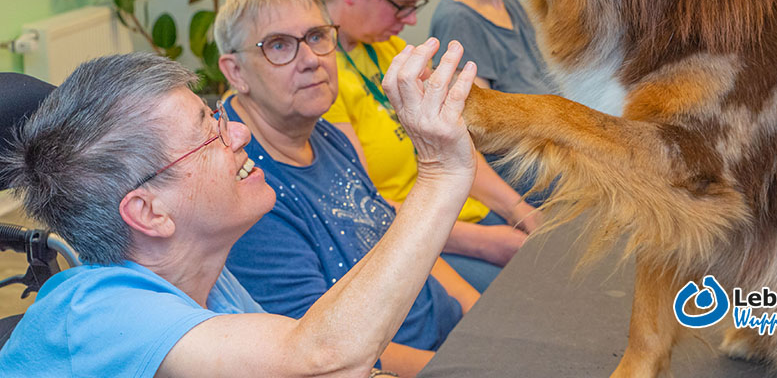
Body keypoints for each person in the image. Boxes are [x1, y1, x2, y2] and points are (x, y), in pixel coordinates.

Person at [0, 38, 479, 377]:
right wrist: (441, 170)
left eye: (216, 115)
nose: (241, 134)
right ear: (149, 212)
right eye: (210, 134)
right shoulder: (99, 314)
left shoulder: (208, 281)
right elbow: (322, 357)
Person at [213, 0, 478, 377]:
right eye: (279, 46)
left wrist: (476, 313)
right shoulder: (246, 186)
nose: (311, 60)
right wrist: (471, 366)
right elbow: (327, 356)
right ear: (235, 72)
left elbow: (395, 235)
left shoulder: (324, 133)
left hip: (445, 334)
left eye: (318, 37)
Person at [319, 0, 540, 292]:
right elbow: (367, 205)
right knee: (523, 292)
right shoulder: (320, 74)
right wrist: (489, 242)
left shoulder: (385, 46)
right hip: (409, 234)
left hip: (457, 211)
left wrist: (520, 211)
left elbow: (454, 146)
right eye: (402, 6)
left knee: (551, 257)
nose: (411, 20)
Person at [430, 0, 559, 203]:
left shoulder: (510, 3)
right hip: (522, 161)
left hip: (546, 134)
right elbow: (479, 129)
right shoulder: (458, 20)